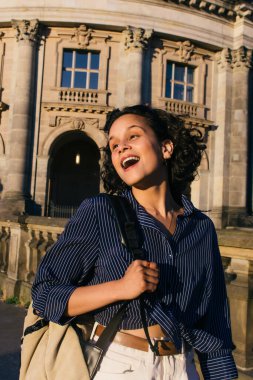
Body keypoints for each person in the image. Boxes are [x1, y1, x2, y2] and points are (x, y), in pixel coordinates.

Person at [32, 105, 238, 380]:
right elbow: (45, 296)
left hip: (183, 367)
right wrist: (119, 288)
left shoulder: (201, 228)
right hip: (121, 365)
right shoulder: (100, 212)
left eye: (133, 137)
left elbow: (214, 327)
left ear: (166, 148)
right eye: (114, 144)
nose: (120, 148)